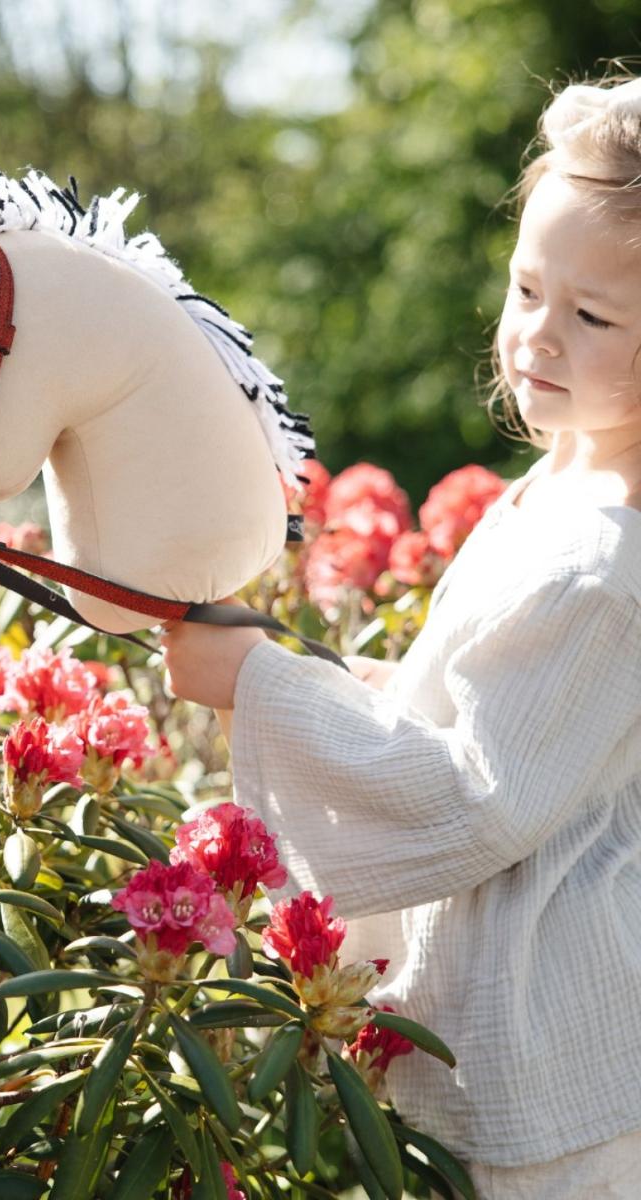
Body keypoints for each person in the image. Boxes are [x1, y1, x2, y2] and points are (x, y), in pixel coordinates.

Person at [161, 75, 641, 1198]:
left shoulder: (607, 559)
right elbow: (473, 701)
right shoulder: (561, 494)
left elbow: (478, 796)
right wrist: (293, 666)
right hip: (517, 1018)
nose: (537, 335)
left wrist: (262, 687)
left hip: (561, 1051)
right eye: (528, 287)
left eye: (594, 315)